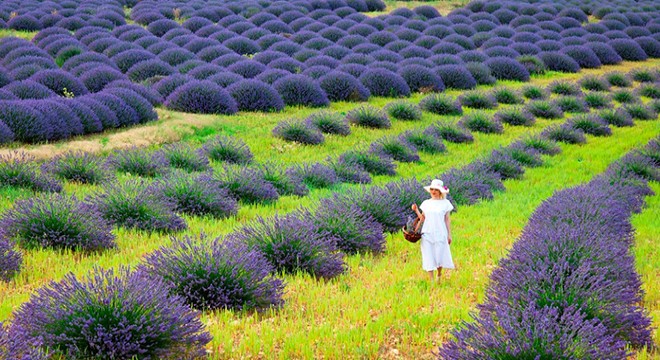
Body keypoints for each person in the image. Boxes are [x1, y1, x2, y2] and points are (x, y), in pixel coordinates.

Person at [411, 179, 454, 281]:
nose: (433, 191)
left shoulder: (445, 203)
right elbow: (422, 218)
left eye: (436, 189)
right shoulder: (426, 203)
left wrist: (449, 234)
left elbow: (447, 219)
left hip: (440, 232)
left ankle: (439, 274)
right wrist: (416, 210)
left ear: (440, 191)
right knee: (428, 255)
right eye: (432, 189)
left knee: (439, 255)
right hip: (427, 232)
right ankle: (431, 280)